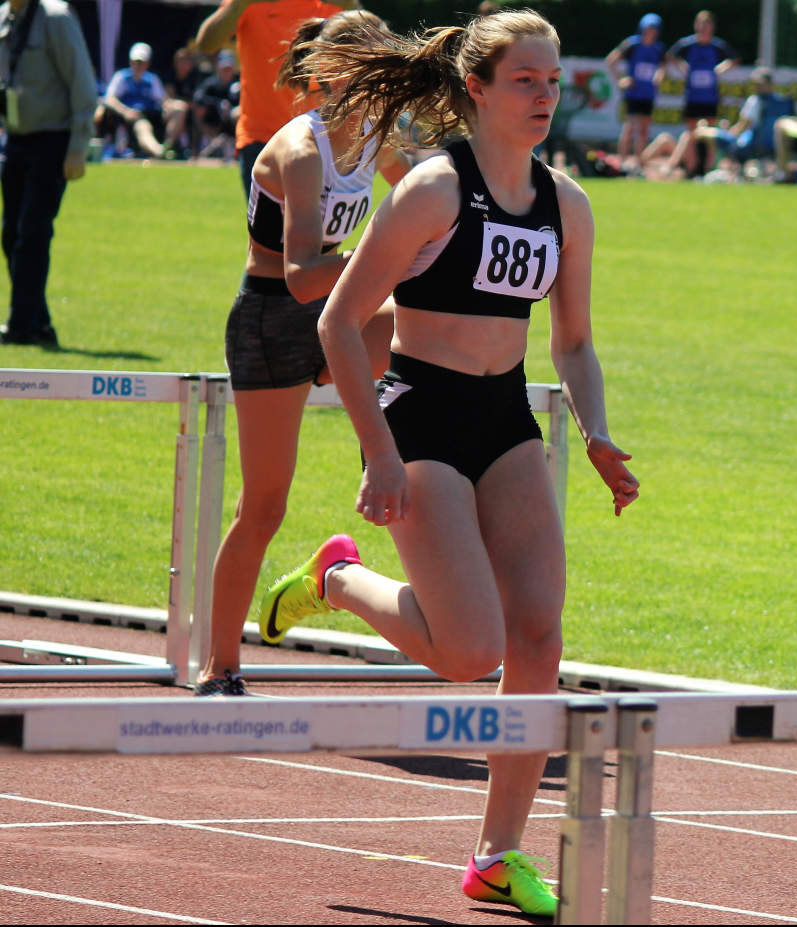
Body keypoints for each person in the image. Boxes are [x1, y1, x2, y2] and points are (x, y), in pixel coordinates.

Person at [261, 10, 638, 916]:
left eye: (553, 82)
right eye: (525, 81)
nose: (544, 97)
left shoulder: (567, 205)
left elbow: (574, 341)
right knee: (468, 651)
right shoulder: (432, 190)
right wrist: (379, 451)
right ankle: (339, 576)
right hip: (420, 416)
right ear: (476, 87)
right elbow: (337, 323)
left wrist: (593, 432)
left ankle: (495, 854)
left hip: (505, 422)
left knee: (539, 637)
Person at [195, 10, 410, 698]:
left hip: (337, 314)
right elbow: (301, 273)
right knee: (263, 506)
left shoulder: (377, 134)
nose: (387, 78)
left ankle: (393, 450)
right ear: (334, 75)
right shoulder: (299, 147)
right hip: (273, 319)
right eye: (373, 64)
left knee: (429, 324)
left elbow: (428, 191)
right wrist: (390, 253)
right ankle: (218, 666)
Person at [0, 0, 97, 347]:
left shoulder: (55, 17)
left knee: (32, 232)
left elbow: (83, 83)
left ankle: (20, 325)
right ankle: (39, 323)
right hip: (16, 139)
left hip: (53, 140)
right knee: (10, 235)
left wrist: (77, 146)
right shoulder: (4, 17)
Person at [195, 0, 359, 199]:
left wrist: (350, 5)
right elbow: (206, 45)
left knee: (315, 226)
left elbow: (374, 41)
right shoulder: (250, 4)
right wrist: (238, 5)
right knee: (268, 229)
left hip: (317, 137)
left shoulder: (327, 4)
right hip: (260, 139)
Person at [666, 10, 738, 175]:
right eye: (701, 24)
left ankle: (708, 168)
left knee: (710, 134)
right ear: (696, 25)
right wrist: (684, 68)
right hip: (693, 97)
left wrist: (718, 71)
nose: (704, 28)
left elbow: (734, 59)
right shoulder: (688, 45)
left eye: (708, 24)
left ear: (712, 27)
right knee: (692, 134)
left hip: (710, 97)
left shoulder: (716, 46)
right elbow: (671, 55)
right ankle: (691, 169)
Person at [98, 43, 186, 159]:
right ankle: (159, 152)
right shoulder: (122, 77)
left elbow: (163, 100)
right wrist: (125, 111)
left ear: (147, 64)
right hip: (133, 116)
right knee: (143, 125)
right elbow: (110, 99)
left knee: (180, 108)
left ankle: (167, 145)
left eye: (141, 62)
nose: (138, 65)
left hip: (151, 113)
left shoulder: (152, 79)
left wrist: (169, 106)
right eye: (135, 61)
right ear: (130, 61)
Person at [606, 13, 664, 166]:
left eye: (654, 29)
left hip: (648, 94)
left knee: (644, 129)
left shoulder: (658, 48)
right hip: (633, 93)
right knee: (629, 127)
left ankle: (639, 163)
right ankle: (622, 162)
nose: (651, 32)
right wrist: (621, 80)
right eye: (648, 28)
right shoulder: (632, 44)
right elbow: (611, 60)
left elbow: (662, 66)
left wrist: (659, 76)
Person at [194, 52, 240, 158]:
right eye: (224, 69)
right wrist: (218, 103)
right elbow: (198, 98)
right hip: (213, 118)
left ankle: (238, 147)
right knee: (200, 109)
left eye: (229, 69)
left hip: (232, 120)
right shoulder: (211, 83)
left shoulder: (239, 83)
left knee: (238, 113)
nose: (226, 72)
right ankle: (202, 142)